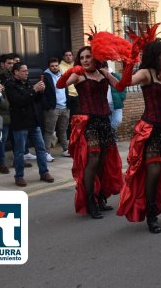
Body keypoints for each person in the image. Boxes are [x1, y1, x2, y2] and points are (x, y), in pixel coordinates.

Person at [117, 40, 161, 232]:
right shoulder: (146, 73)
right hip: (152, 129)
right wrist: (130, 61)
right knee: (153, 171)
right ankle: (151, 214)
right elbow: (126, 83)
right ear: (156, 54)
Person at [58, 46, 124, 219]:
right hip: (89, 122)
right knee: (93, 158)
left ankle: (100, 196)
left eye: (89, 57)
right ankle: (90, 201)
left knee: (103, 160)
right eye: (82, 57)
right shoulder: (79, 75)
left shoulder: (103, 74)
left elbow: (119, 86)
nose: (86, 60)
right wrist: (72, 70)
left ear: (95, 58)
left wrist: (108, 74)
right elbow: (61, 84)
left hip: (104, 121)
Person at [5, 62, 55, 187]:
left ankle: (44, 172)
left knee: (41, 148)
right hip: (20, 123)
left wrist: (40, 92)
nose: (27, 73)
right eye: (23, 71)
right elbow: (19, 102)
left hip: (33, 122)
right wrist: (34, 90)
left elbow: (34, 100)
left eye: (27, 70)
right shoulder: (10, 85)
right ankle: (19, 176)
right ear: (16, 72)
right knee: (20, 151)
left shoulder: (26, 83)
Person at [42, 58, 70, 157]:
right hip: (53, 108)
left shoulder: (62, 75)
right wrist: (48, 106)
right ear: (49, 67)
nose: (54, 67)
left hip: (64, 107)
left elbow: (65, 89)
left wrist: (68, 104)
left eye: (56, 65)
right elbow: (42, 93)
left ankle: (66, 149)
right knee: (49, 131)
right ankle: (46, 152)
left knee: (63, 130)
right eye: (52, 66)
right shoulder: (45, 76)